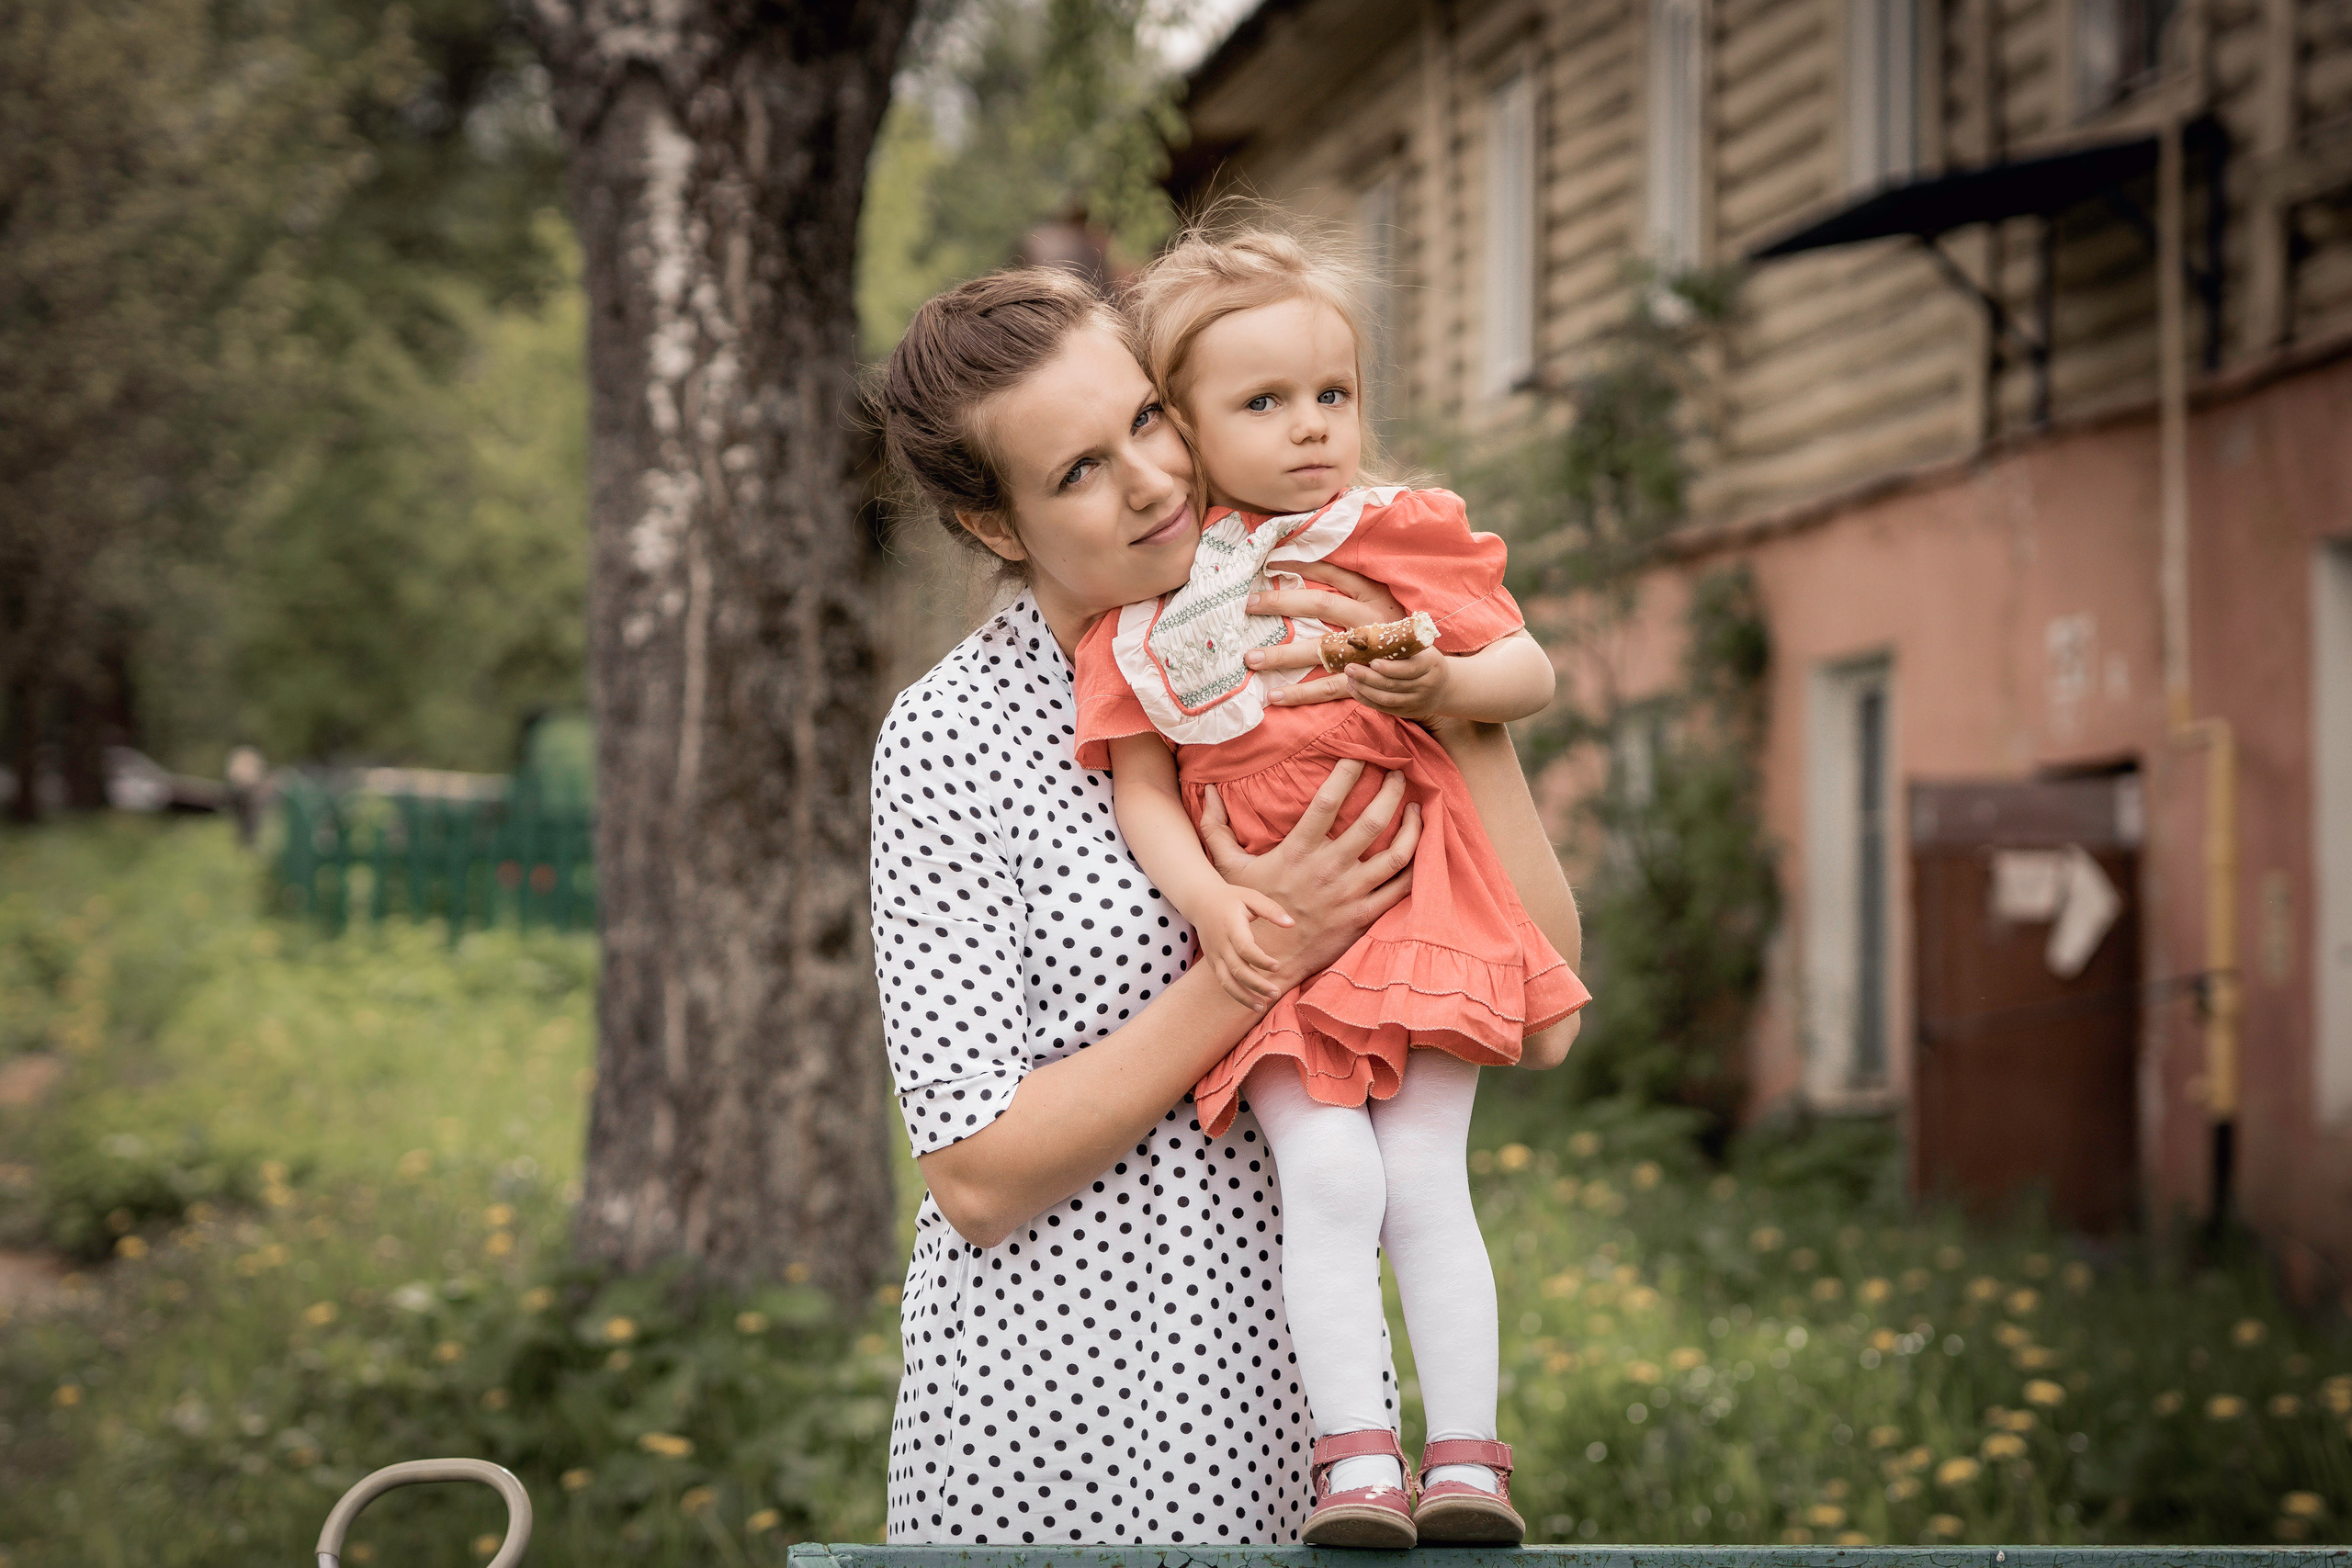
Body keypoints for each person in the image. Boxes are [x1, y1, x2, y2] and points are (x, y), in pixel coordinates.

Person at [872, 263, 1581, 1546]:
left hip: (1306, 1437)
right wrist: (1258, 959)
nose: (1148, 480)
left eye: (1146, 420)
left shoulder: (1328, 606)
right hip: (1055, 1425)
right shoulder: (952, 741)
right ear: (996, 526)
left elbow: (1546, 1013)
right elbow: (976, 1175)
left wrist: (1449, 703)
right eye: (1077, 471)